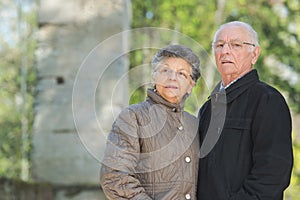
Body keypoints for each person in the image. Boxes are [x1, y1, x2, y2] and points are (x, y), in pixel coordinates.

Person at [197, 21, 293, 200]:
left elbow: (272, 175)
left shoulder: (267, 100)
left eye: (235, 45)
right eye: (219, 45)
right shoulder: (207, 109)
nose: (225, 51)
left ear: (254, 54)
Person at [100, 44, 201, 199]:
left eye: (181, 74)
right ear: (154, 77)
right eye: (165, 70)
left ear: (190, 86)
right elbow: (115, 177)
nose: (172, 77)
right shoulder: (133, 117)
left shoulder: (195, 124)